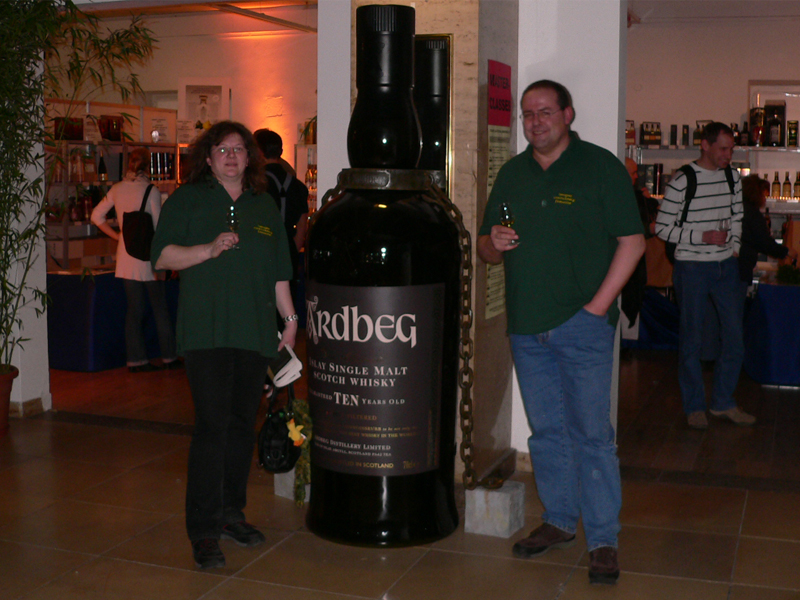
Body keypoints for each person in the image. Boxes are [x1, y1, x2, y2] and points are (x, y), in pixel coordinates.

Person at [477, 80, 645, 585]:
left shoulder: (600, 167)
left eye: (546, 111)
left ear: (568, 114)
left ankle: (603, 539)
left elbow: (633, 242)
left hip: (582, 326)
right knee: (547, 432)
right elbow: (485, 249)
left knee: (592, 436)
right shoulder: (512, 173)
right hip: (526, 327)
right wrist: (493, 242)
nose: (535, 122)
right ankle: (558, 520)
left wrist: (597, 309)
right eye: (528, 114)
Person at [151, 121, 297, 569]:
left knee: (240, 427)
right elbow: (161, 255)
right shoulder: (187, 199)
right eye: (222, 149)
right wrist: (207, 250)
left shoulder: (263, 204)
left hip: (254, 333)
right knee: (212, 428)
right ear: (208, 157)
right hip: (206, 332)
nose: (231, 156)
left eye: (239, 149)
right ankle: (203, 530)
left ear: (250, 157)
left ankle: (232, 513)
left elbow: (278, 271)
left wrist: (291, 322)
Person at [655, 122, 754, 430]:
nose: (728, 155)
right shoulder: (683, 180)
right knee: (692, 340)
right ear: (706, 146)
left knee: (735, 338)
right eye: (723, 148)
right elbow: (661, 228)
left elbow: (737, 216)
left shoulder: (732, 177)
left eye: (731, 149)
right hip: (692, 267)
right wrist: (702, 237)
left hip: (726, 266)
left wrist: (734, 248)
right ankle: (695, 407)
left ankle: (723, 402)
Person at [91, 148, 179, 373]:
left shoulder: (117, 188)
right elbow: (158, 228)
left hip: (126, 255)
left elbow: (96, 216)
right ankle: (169, 357)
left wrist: (118, 236)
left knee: (134, 310)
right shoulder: (151, 190)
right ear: (148, 166)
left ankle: (135, 360)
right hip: (149, 257)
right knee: (160, 309)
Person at [253, 128, 309, 298]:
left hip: (260, 252)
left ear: (259, 152)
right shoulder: (298, 186)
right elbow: (302, 225)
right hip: (289, 250)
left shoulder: (254, 184)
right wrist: (292, 249)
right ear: (281, 151)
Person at [739, 174, 797, 288]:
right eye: (763, 194)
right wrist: (786, 252)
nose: (765, 198)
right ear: (756, 194)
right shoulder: (753, 215)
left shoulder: (739, 209)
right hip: (742, 267)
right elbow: (763, 242)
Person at [621, 157, 659, 327]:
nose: (637, 177)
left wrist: (649, 200)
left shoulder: (637, 196)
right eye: (633, 173)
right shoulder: (622, 198)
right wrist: (648, 229)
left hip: (636, 264)